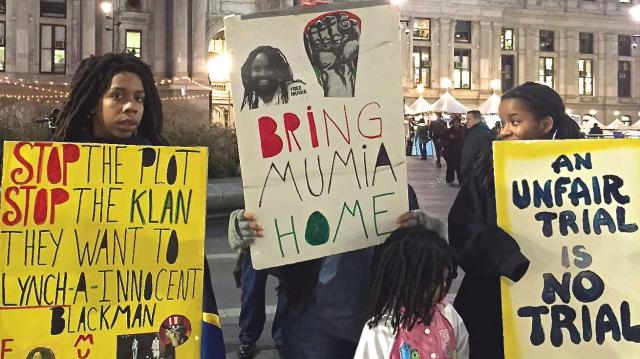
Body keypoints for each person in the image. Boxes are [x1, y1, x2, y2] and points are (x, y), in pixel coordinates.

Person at [51, 53, 225, 358]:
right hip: (80, 327)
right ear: (93, 101)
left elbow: (186, 261)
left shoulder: (166, 168)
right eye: (117, 96)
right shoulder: (55, 169)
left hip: (150, 326)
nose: (131, 106)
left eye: (139, 98)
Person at [448, 82, 582, 359]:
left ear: (545, 124)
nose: (504, 130)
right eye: (502, 122)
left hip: (566, 301)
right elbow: (463, 227)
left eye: (515, 121)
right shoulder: (487, 167)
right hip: (492, 301)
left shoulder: (583, 172)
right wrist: (504, 255)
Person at [232, 186, 424, 359]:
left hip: (381, 324)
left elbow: (425, 258)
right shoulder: (292, 181)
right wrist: (247, 231)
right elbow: (272, 251)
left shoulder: (393, 184)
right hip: (312, 327)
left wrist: (423, 228)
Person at [354, 224, 469, 359]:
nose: (444, 285)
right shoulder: (381, 332)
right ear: (414, 282)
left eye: (446, 279)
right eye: (437, 280)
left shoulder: (450, 316)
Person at [228, 210, 286, 359]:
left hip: (287, 231)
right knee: (251, 292)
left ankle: (283, 337)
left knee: (289, 290)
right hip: (258, 237)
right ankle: (248, 338)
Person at [460, 110, 493, 185]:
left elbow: (469, 154)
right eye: (466, 119)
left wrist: (464, 171)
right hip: (484, 170)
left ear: (477, 119)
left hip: (475, 172)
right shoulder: (485, 130)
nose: (466, 121)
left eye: (469, 119)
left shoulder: (475, 133)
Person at [442, 114, 465, 185]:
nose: (456, 124)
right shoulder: (449, 130)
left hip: (460, 151)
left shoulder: (463, 130)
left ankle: (461, 180)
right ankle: (449, 179)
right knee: (450, 165)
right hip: (450, 151)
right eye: (455, 122)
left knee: (459, 166)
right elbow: (443, 138)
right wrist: (450, 138)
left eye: (458, 122)